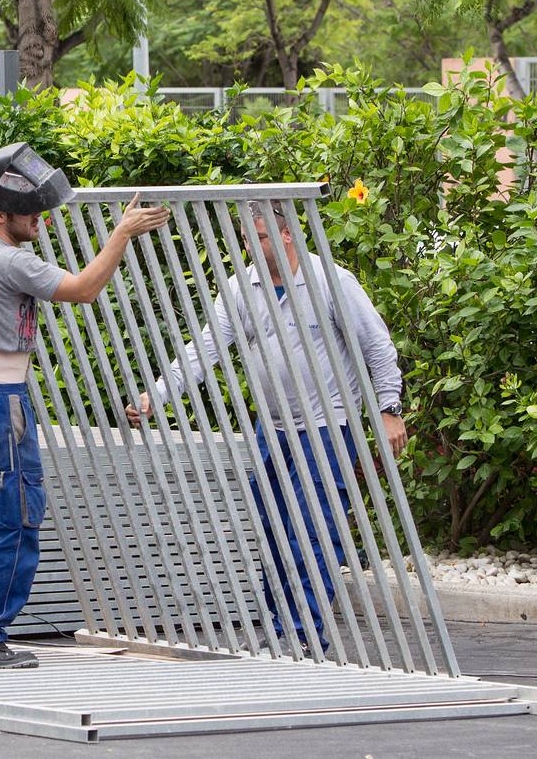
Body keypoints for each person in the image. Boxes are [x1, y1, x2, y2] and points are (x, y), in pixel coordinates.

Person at [125, 203, 406, 651]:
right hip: (272, 428)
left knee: (313, 530)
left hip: (327, 425)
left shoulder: (330, 281)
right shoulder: (242, 287)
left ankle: (305, 634)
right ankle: (280, 628)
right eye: (244, 238)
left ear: (286, 236)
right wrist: (155, 396)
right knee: (273, 530)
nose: (247, 247)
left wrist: (389, 409)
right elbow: (204, 348)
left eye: (256, 237)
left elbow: (377, 345)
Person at [0, 142, 169, 670]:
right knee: (16, 522)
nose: (40, 219)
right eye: (30, 211)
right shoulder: (7, 260)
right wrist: (121, 234)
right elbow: (84, 289)